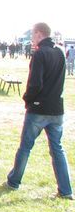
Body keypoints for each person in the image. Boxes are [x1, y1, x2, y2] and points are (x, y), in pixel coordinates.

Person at [6, 22, 73, 199]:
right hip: (56, 109)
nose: (32, 39)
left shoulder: (40, 53)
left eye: (33, 35)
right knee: (57, 149)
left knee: (25, 147)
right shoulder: (60, 52)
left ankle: (14, 181)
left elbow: (35, 83)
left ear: (39, 34)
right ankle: (66, 190)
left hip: (38, 109)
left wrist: (27, 99)